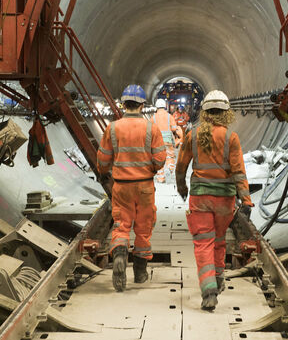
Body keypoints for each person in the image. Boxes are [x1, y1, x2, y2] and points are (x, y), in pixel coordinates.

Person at [175, 90, 254, 311]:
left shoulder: (192, 135)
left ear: (205, 112)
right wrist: (246, 200)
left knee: (203, 243)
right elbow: (239, 172)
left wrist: (182, 187)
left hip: (200, 198)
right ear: (225, 113)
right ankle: (218, 279)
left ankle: (208, 290)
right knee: (219, 240)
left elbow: (181, 167)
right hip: (224, 201)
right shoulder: (231, 138)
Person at [97, 85, 167, 292]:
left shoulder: (112, 128)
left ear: (123, 104)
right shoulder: (151, 128)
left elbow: (102, 159)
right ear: (142, 105)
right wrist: (151, 169)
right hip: (145, 186)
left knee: (121, 225)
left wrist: (104, 172)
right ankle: (140, 272)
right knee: (144, 229)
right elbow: (160, 158)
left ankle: (119, 255)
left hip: (121, 187)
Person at [152, 98, 182, 183]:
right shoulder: (169, 116)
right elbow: (173, 128)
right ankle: (170, 168)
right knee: (169, 156)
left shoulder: (153, 117)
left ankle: (161, 178)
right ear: (165, 106)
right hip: (168, 140)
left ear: (156, 107)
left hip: (157, 142)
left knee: (159, 159)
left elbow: (150, 130)